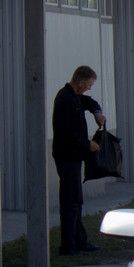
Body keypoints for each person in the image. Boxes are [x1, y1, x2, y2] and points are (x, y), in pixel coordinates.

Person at [52, 65, 107, 255]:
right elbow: (66, 134)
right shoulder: (65, 100)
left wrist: (97, 112)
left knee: (76, 199)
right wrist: (87, 144)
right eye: (89, 84)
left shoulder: (74, 97)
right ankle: (68, 245)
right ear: (81, 82)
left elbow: (89, 102)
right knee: (70, 200)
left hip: (74, 156)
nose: (89, 88)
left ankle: (79, 240)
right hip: (67, 156)